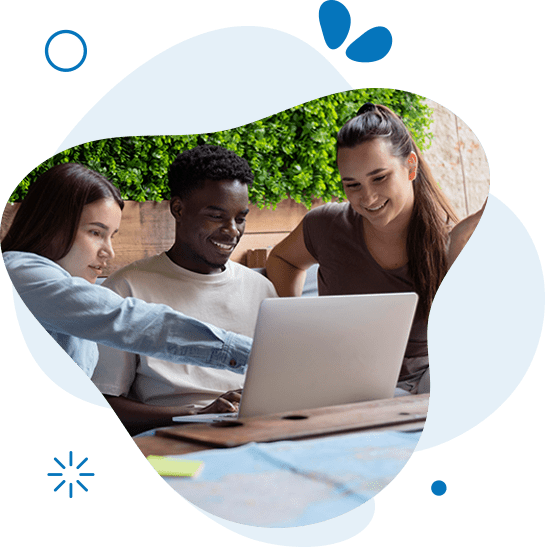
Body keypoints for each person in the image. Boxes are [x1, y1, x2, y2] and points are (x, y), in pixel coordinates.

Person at [266, 103, 486, 394]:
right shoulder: (327, 225)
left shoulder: (449, 238)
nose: (367, 198)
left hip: (425, 382)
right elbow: (282, 259)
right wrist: (296, 323)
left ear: (411, 166)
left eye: (379, 177)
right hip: (344, 379)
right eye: (352, 184)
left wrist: (457, 247)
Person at [1, 163, 255, 383]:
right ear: (52, 225)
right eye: (95, 233)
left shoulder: (66, 291)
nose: (108, 252)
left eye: (111, 236)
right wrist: (253, 354)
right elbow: (129, 320)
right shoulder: (19, 273)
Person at [91, 145, 277, 435]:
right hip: (174, 435)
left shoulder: (262, 290)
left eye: (240, 218)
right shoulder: (127, 288)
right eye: (216, 216)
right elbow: (103, 404)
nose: (232, 231)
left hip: (259, 431)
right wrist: (197, 414)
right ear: (178, 209)